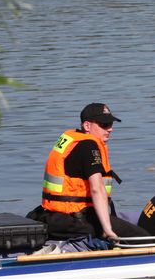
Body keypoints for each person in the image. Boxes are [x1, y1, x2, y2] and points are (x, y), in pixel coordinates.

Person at [31, 102, 147, 242]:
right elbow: (97, 189)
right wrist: (107, 230)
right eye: (104, 125)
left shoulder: (71, 139)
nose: (110, 129)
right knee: (143, 238)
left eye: (110, 124)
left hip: (54, 215)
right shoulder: (88, 145)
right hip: (75, 219)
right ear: (87, 126)